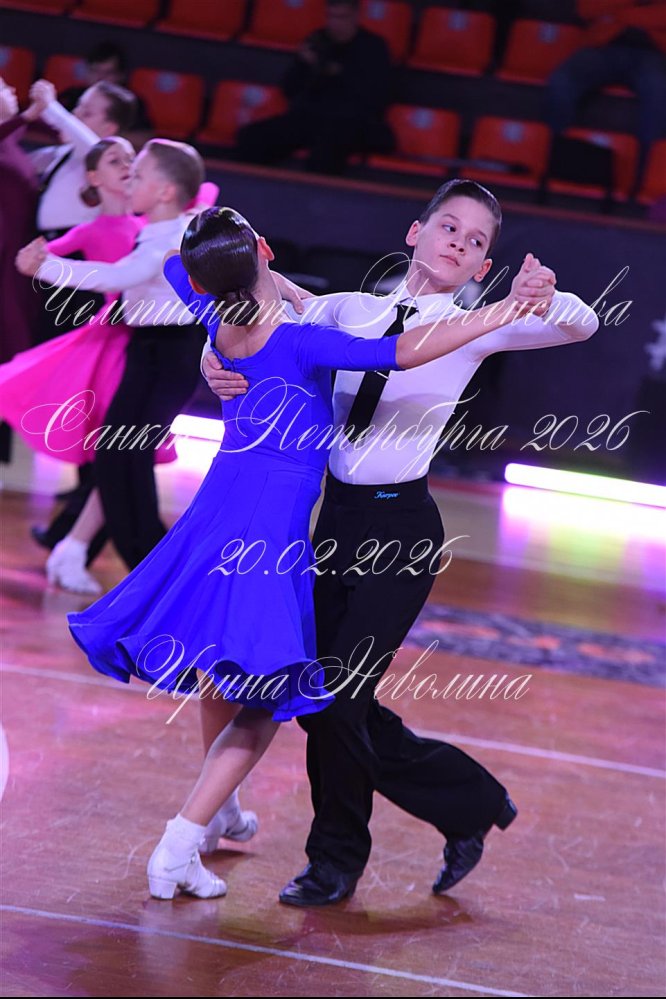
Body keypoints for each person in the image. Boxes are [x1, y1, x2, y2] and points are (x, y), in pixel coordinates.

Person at [62, 205, 551, 900]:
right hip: (273, 537)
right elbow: (403, 351)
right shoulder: (300, 340)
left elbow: (176, 263)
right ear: (265, 248)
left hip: (225, 517)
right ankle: (184, 841)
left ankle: (220, 814)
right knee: (272, 698)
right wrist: (502, 308)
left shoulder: (217, 317)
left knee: (243, 676)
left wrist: (235, 311)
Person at [202, 179, 601, 905]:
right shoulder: (347, 311)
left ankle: (335, 861)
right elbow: (260, 326)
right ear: (416, 232)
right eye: (448, 226)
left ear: (483, 266)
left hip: (402, 532)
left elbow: (584, 324)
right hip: (335, 523)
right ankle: (472, 801)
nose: (458, 243)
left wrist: (545, 294)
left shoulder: (479, 324)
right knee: (327, 698)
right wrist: (210, 357)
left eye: (476, 241)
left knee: (334, 699)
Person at [17, 139, 208, 573]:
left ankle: (154, 570)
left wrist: (45, 267)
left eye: (138, 175)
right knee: (119, 459)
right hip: (150, 352)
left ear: (165, 192)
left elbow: (119, 275)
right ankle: (151, 569)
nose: (130, 181)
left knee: (123, 458)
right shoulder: (160, 230)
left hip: (169, 355)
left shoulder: (170, 238)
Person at [236, 0, 394, 175]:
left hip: (352, 122)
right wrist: (304, 65)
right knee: (252, 138)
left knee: (326, 151)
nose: (335, 23)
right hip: (310, 117)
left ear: (356, 16)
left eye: (342, 17)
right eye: (330, 16)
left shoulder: (373, 47)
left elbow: (375, 97)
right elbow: (289, 88)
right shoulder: (317, 41)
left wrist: (330, 71)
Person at [545, 0, 666, 195]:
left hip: (654, 54)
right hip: (602, 46)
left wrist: (620, 15)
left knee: (659, 93)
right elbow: (585, 9)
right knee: (561, 81)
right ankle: (556, 161)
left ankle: (643, 178)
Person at [0, 78, 41, 463]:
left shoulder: (11, 141)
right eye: (3, 87)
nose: (11, 90)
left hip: (15, 272)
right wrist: (28, 115)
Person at [57, 40, 154, 148]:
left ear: (121, 75)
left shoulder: (132, 103)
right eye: (95, 71)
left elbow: (144, 137)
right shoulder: (72, 95)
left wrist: (100, 134)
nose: (100, 78)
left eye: (108, 73)